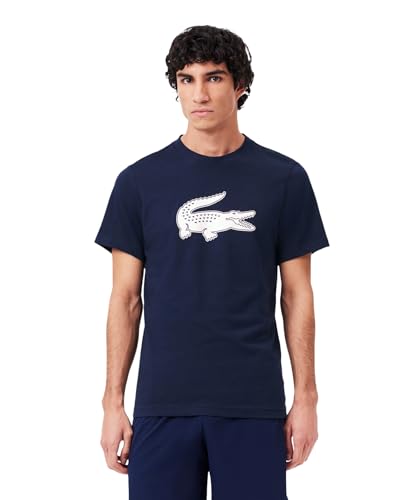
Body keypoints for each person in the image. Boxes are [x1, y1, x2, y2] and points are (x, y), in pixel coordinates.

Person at [95, 24, 330, 500]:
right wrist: (112, 402)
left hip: (252, 403)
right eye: (187, 79)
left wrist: (306, 397)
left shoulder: (284, 179)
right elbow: (125, 299)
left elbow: (296, 295)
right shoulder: (139, 182)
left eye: (214, 78)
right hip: (163, 403)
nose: (199, 94)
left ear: (240, 86)